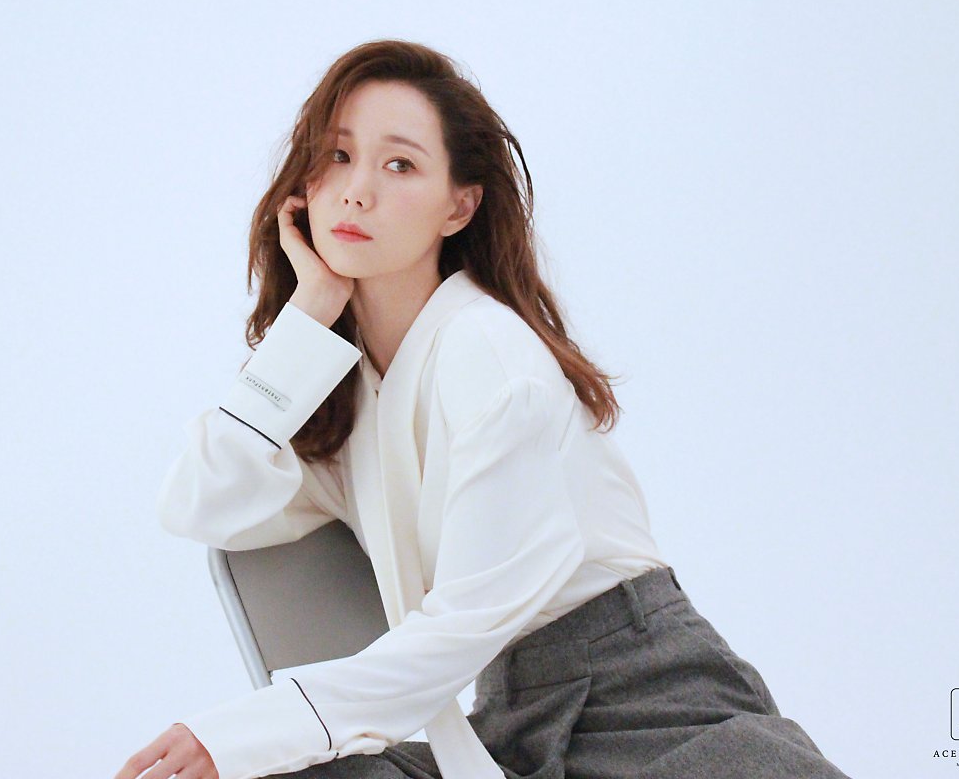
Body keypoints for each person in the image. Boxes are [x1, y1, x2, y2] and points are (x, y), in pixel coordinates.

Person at [116, 39, 851, 779]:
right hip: (511, 725)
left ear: (460, 205)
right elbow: (202, 505)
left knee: (261, 754)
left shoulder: (490, 356)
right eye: (338, 155)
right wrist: (305, 321)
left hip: (655, 711)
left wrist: (243, 733)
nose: (357, 190)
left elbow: (462, 627)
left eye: (399, 165)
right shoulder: (352, 395)